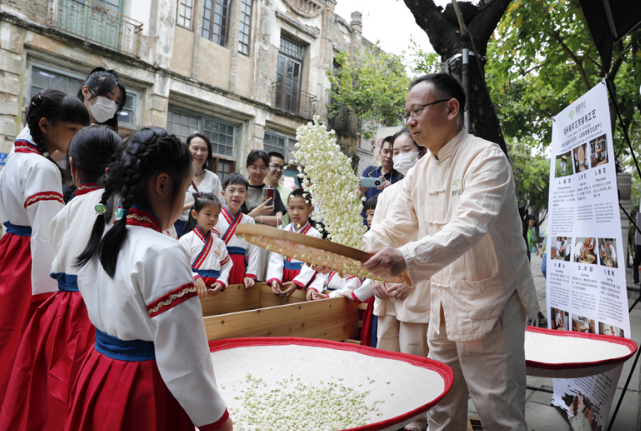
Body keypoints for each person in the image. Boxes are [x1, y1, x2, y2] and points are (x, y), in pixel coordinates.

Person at [361, 73, 539, 431]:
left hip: (490, 303)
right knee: (441, 409)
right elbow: (393, 226)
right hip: (440, 308)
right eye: (406, 113)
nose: (409, 121)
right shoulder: (421, 170)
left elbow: (468, 227)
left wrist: (405, 258)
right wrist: (346, 251)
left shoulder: (485, 158)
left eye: (417, 110)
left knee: (498, 410)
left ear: (451, 108)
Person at [70, 128, 231, 431]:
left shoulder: (103, 232)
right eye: (184, 191)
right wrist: (216, 420)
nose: (184, 201)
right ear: (162, 184)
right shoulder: (163, 251)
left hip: (99, 371)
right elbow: (185, 355)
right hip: (144, 387)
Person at [0, 126, 120, 431]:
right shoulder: (124, 208)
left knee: (53, 388)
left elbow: (51, 253)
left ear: (73, 168)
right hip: (104, 311)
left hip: (64, 311)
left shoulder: (68, 209)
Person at [0, 90, 89, 405]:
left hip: (11, 248)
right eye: (73, 130)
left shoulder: (16, 156)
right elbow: (45, 235)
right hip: (30, 258)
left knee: (7, 332)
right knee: (28, 336)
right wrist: (48, 296)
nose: (78, 139)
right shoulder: (43, 168)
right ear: (45, 125)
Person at [267, 188, 322, 299]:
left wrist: (297, 282)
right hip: (284, 276)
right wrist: (275, 278)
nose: (295, 212)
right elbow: (276, 258)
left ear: (311, 210)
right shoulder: (283, 232)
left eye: (301, 208)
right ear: (287, 209)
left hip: (304, 279)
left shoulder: (314, 235)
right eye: (291, 208)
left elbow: (311, 263)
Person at [242, 149, 286, 280]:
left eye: (263, 168)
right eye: (254, 167)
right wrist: (259, 215)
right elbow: (239, 221)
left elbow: (278, 220)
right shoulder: (241, 190)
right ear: (247, 167)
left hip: (270, 242)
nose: (258, 172)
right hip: (249, 242)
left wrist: (254, 216)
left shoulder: (272, 191)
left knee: (268, 278)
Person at [179, 193, 232, 299]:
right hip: (192, 290)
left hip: (214, 291)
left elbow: (227, 264)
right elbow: (180, 265)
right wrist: (195, 277)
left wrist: (222, 281)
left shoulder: (219, 242)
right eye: (208, 214)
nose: (212, 219)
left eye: (216, 215)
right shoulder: (186, 240)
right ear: (195, 214)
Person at [175, 133, 222, 237]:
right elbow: (169, 207)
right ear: (187, 149)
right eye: (195, 148)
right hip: (179, 226)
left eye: (204, 149)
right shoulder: (178, 175)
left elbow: (220, 207)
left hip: (203, 228)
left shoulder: (213, 178)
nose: (199, 153)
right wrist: (191, 206)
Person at [216, 173, 258, 288]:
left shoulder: (249, 221)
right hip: (219, 265)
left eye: (241, 191)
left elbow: (254, 249)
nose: (236, 195)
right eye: (232, 190)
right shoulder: (216, 218)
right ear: (223, 194)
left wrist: (250, 273)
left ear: (246, 195)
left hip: (240, 266)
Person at [358, 136, 403, 225]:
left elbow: (403, 206)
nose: (389, 156)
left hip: (387, 227)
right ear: (379, 152)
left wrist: (392, 191)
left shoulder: (401, 177)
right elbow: (356, 199)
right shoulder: (369, 171)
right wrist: (361, 192)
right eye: (385, 151)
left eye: (392, 153)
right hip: (365, 226)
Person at [633, 213, 641, 283]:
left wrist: (634, 244)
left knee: (636, 263)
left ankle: (636, 279)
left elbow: (635, 237)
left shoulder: (638, 226)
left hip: (639, 247)